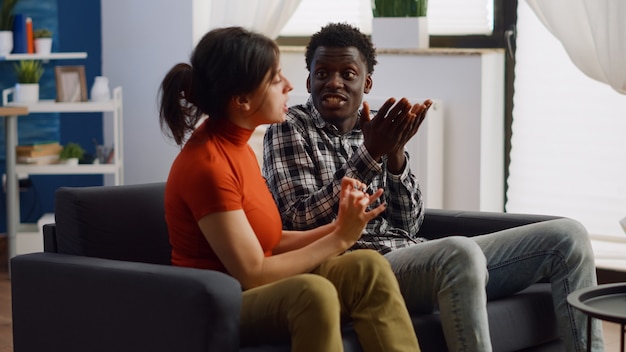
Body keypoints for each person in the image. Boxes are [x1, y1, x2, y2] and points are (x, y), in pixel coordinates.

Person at [262, 22, 604, 352]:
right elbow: (300, 218)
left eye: (347, 74)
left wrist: (395, 156)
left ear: (366, 83)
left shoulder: (379, 128)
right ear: (309, 81)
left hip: (413, 254)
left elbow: (409, 224)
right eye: (322, 74)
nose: (333, 83)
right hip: (364, 267)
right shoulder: (290, 126)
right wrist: (371, 154)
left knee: (568, 236)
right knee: (460, 251)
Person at [158, 26, 421, 352]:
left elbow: (273, 240)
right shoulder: (208, 165)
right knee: (313, 293)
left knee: (367, 266)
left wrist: (341, 227)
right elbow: (252, 273)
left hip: (249, 285)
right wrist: (340, 238)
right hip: (219, 300)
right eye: (274, 78)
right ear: (242, 99)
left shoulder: (238, 146)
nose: (290, 85)